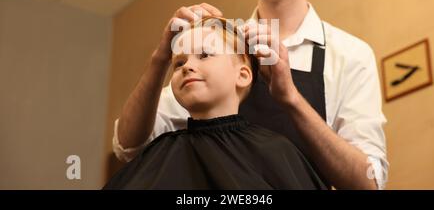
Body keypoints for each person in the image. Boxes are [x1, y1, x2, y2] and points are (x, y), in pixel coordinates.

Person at [113, 0, 388, 189]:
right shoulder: (219, 46)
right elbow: (127, 146)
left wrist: (291, 99)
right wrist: (161, 57)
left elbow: (369, 183)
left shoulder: (349, 54)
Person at [104, 17, 326, 189]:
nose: (187, 67)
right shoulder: (160, 155)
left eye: (204, 55)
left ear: (242, 75)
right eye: (179, 62)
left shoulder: (277, 152)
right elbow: (125, 148)